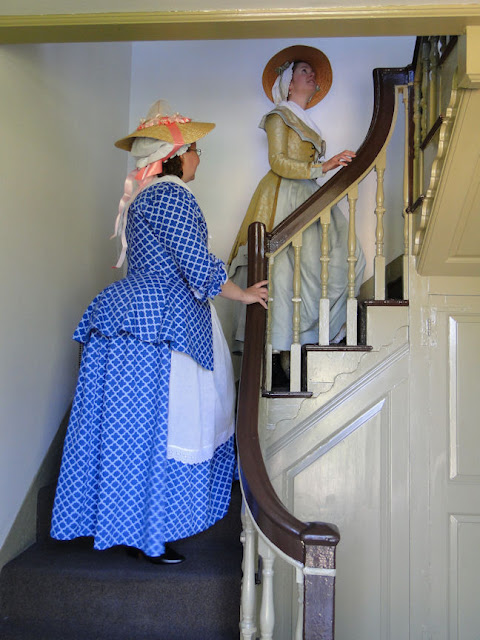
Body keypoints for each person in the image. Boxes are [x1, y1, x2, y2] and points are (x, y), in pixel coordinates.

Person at [50, 100, 268, 564]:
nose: (199, 158)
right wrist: (244, 295)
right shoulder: (171, 195)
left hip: (132, 318)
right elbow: (197, 266)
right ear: (176, 155)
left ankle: (127, 525)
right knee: (162, 426)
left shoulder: (145, 197)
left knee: (131, 429)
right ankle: (149, 529)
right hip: (161, 323)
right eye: (195, 150)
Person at [228, 45, 365, 358]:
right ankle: (280, 347)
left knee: (341, 258)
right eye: (304, 70)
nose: (311, 74)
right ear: (289, 84)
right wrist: (323, 167)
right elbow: (277, 161)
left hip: (307, 193)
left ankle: (311, 335)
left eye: (312, 71)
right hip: (283, 195)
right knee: (283, 270)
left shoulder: (307, 122)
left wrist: (322, 169)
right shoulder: (279, 116)